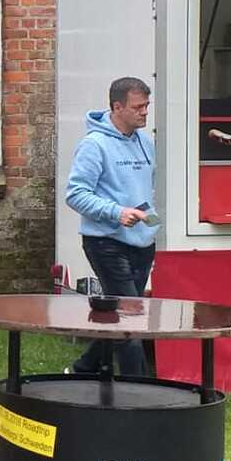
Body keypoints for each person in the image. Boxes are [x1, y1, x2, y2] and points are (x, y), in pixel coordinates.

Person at [63, 77, 160, 377]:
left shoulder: (146, 142)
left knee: (118, 312)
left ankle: (83, 369)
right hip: (105, 242)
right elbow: (75, 194)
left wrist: (155, 224)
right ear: (117, 107)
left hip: (143, 243)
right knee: (130, 318)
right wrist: (117, 213)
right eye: (138, 107)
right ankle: (139, 387)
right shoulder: (94, 145)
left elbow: (149, 192)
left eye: (146, 106)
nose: (145, 112)